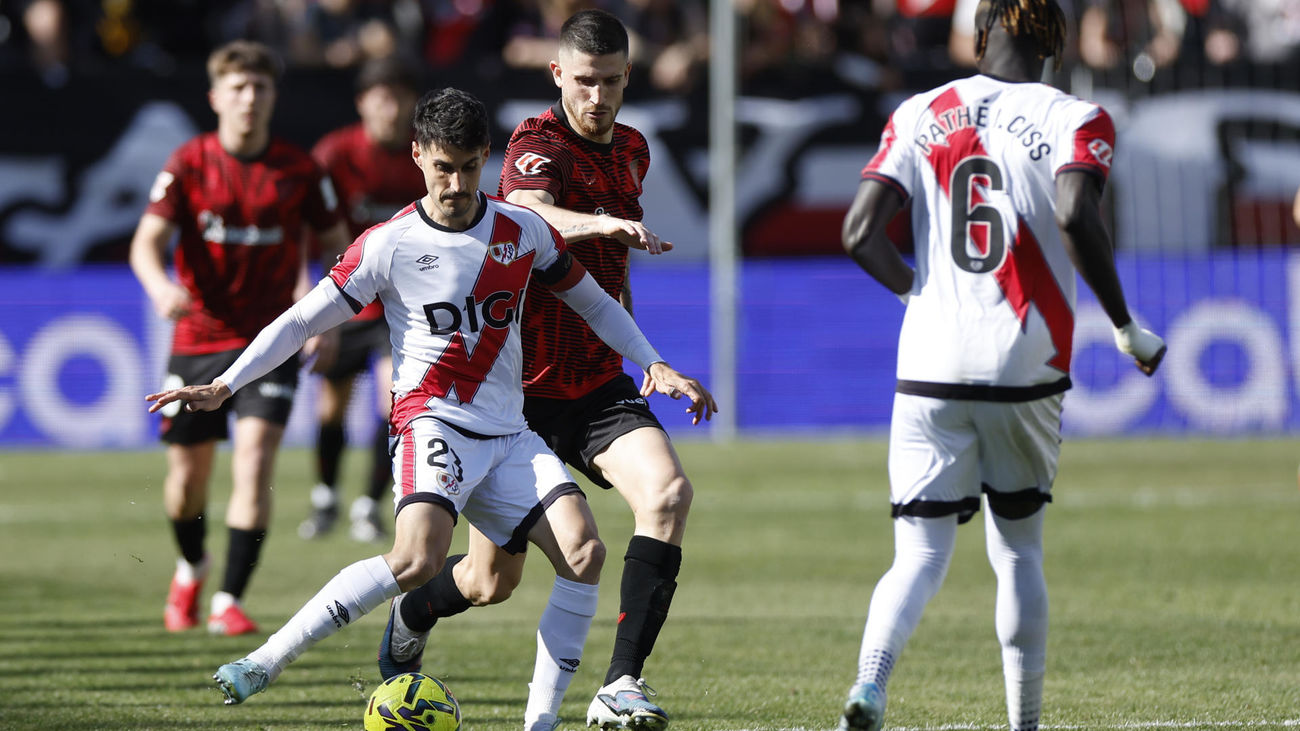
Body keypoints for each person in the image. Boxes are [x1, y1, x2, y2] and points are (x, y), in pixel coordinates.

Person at [145, 87, 714, 731]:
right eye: (443, 166)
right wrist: (225, 384)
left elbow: (594, 302)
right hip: (432, 423)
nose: (456, 183)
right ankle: (265, 660)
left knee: (578, 553)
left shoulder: (521, 230)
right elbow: (303, 319)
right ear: (418, 156)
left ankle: (541, 725)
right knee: (417, 558)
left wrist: (653, 361)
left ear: (486, 159)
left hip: (508, 434)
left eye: (470, 166)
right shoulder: (387, 245)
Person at [835, 1, 1167, 729]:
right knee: (1017, 548)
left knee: (917, 550)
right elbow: (1078, 214)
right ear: (1056, 41)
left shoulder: (920, 110)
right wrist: (1123, 324)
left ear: (979, 34)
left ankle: (869, 685)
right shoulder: (1077, 117)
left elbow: (860, 230)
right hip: (1026, 353)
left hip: (929, 354)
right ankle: (1024, 722)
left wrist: (917, 293)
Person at [382, 10, 712, 730]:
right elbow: (529, 209)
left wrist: (649, 359)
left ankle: (621, 682)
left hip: (595, 383)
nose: (598, 96)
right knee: (488, 580)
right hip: (516, 400)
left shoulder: (632, 150)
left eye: (612, 81)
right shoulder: (537, 143)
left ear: (629, 77)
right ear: (558, 74)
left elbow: (610, 280)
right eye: (585, 81)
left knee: (668, 493)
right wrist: (597, 223)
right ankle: (415, 607)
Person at [130, 39, 349, 637]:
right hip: (198, 339)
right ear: (216, 97)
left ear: (273, 96)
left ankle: (227, 599)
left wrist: (324, 318)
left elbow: (337, 248)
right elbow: (146, 242)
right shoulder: (187, 163)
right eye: (238, 88)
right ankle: (192, 566)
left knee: (254, 464)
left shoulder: (300, 171)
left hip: (269, 343)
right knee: (186, 483)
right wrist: (158, 287)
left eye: (260, 87)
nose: (249, 98)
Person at [298, 56, 425, 544]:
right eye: (381, 98)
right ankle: (326, 495)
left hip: (400, 304)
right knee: (331, 406)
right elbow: (309, 228)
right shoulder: (335, 154)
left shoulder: (423, 155)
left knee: (391, 400)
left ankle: (370, 503)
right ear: (363, 104)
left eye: (399, 97)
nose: (390, 109)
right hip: (346, 296)